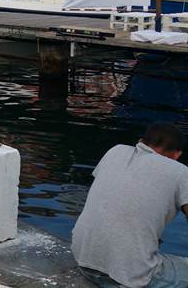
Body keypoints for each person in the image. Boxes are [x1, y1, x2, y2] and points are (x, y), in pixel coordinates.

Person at [72, 123, 188, 288]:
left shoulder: (115, 151)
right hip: (129, 277)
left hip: (83, 262)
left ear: (141, 142)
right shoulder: (181, 172)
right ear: (177, 155)